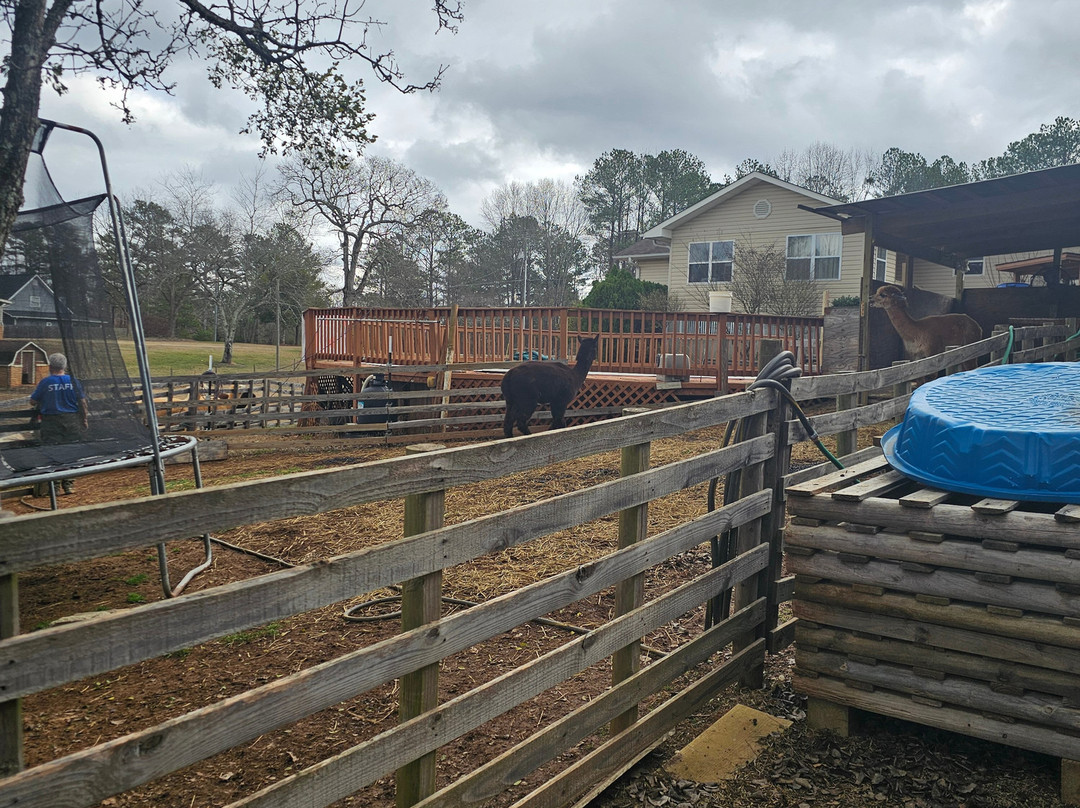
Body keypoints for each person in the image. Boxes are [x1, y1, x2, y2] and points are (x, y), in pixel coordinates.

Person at [30, 353, 89, 495]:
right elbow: (82, 402)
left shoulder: (46, 382)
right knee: (71, 451)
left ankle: (54, 487)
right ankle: (69, 484)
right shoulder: (73, 381)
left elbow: (33, 401)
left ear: (50, 367)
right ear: (65, 366)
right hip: (72, 420)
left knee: (52, 452)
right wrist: (84, 419)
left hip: (51, 422)